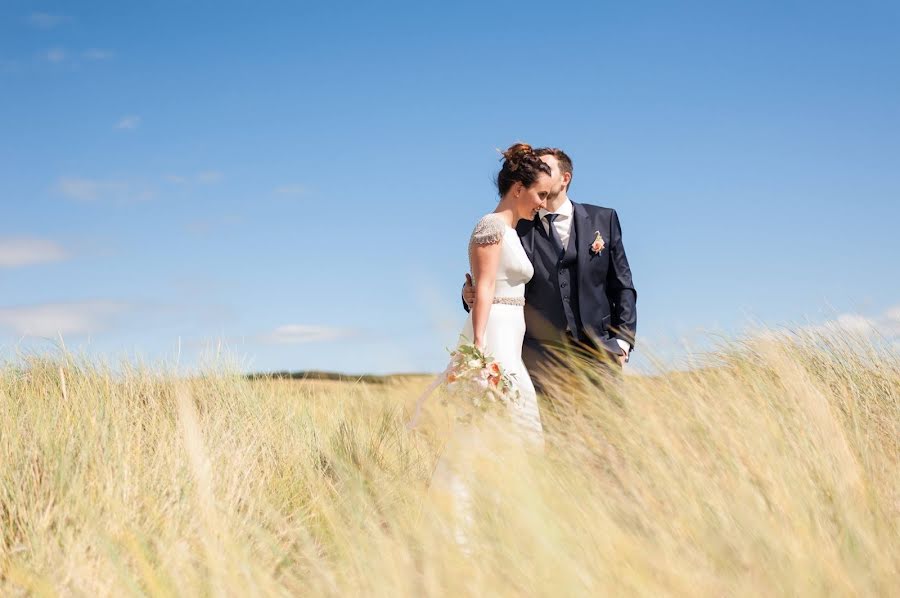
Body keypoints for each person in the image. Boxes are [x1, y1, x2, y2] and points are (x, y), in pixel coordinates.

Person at [462, 147, 637, 396]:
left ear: (565, 178)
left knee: (606, 432)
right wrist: (468, 292)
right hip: (537, 356)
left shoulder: (603, 219)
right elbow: (491, 276)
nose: (539, 172)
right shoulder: (516, 225)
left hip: (600, 351)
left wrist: (622, 342)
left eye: (546, 168)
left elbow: (623, 285)